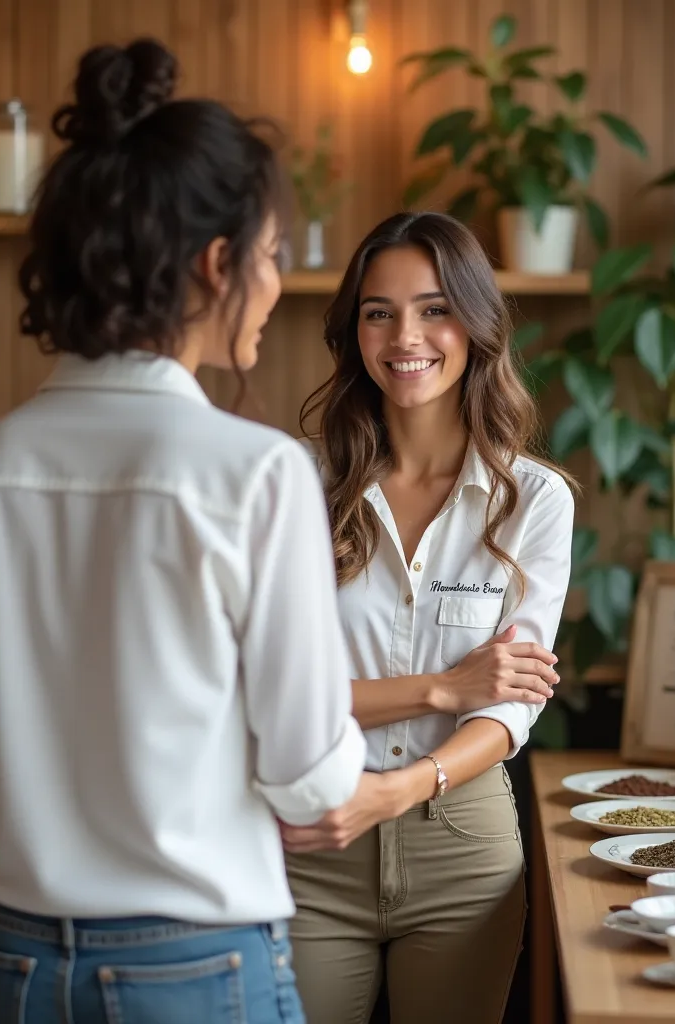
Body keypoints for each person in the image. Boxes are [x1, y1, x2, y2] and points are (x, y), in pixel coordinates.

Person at [0, 39, 365, 1024]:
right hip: (197, 965)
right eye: (271, 255)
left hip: (17, 965)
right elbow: (312, 775)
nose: (273, 281)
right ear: (216, 265)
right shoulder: (255, 472)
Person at [283, 212, 575, 1024]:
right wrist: (444, 689)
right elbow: (275, 692)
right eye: (379, 311)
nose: (405, 335)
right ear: (355, 331)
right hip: (314, 835)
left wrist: (404, 787)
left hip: (464, 842)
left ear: (475, 324)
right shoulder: (294, 486)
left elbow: (512, 702)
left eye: (434, 307)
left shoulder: (535, 502)